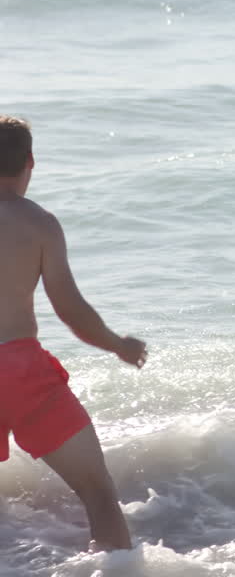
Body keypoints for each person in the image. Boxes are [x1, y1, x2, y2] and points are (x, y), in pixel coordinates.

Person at [0, 115, 148, 552]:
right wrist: (118, 345)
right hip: (21, 372)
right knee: (98, 491)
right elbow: (70, 310)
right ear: (30, 162)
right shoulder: (40, 224)